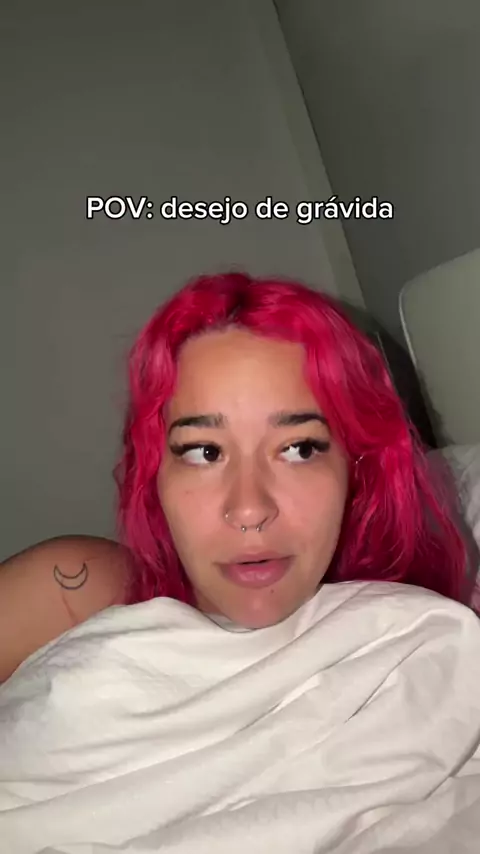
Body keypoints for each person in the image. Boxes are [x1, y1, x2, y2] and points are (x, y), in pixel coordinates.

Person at [1, 272, 480, 854]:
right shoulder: (73, 589)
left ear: (355, 470)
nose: (249, 508)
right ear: (155, 473)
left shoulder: (417, 648)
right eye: (204, 452)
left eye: (299, 448)